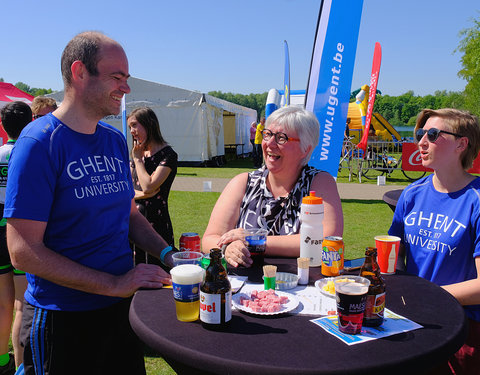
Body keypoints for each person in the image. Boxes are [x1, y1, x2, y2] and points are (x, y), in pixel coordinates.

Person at [4, 31, 177, 375]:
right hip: (64, 320)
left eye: (126, 79)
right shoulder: (39, 143)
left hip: (121, 311)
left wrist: (169, 255)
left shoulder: (113, 140)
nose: (126, 88)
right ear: (80, 72)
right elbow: (22, 251)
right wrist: (113, 284)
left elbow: (128, 215)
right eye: (116, 77)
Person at [388, 108, 480, 374]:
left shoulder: (475, 200)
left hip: (462, 330)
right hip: (412, 321)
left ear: (462, 144)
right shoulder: (411, 194)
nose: (421, 141)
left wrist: (427, 297)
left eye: (433, 134)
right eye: (420, 134)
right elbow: (394, 257)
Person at [202, 106, 343, 267]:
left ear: (306, 149)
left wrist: (254, 241)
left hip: (300, 286)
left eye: (281, 138)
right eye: (267, 134)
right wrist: (227, 247)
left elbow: (327, 238)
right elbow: (210, 238)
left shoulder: (319, 182)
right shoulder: (242, 182)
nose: (269, 143)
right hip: (247, 288)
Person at [0, 102, 31, 374]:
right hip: (20, 232)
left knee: (2, 303)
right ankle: (21, 366)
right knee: (21, 304)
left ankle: (1, 361)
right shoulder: (29, 152)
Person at [129, 106, 178, 266]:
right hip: (133, 224)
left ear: (149, 124)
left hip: (157, 224)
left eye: (135, 125)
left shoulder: (168, 155)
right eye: (130, 127)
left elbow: (148, 186)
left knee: (159, 274)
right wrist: (141, 195)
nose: (132, 131)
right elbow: (126, 188)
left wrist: (137, 160)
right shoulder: (137, 152)